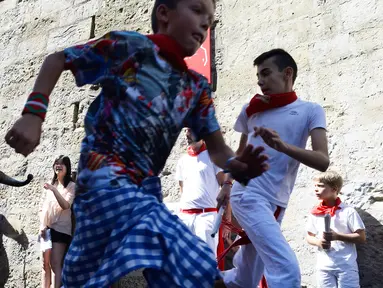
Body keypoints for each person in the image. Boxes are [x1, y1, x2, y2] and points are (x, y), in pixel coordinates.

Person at [5, 0, 269, 286]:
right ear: (164, 14)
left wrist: (237, 166)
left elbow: (217, 149)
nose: (206, 22)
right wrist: (33, 114)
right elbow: (58, 60)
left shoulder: (196, 88)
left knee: (88, 273)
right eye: (196, 10)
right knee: (190, 258)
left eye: (210, 18)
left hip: (144, 189)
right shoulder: (130, 48)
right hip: (104, 177)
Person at [216, 49, 330, 288]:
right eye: (258, 76)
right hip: (248, 195)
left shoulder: (311, 110)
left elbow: (322, 160)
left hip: (277, 203)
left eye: (266, 73)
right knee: (286, 271)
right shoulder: (252, 110)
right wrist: (227, 184)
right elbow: (239, 155)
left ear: (287, 73)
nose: (260, 81)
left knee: (243, 280)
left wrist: (283, 146)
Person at [176, 128, 232, 270]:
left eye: (190, 130)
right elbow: (183, 191)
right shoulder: (182, 161)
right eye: (186, 131)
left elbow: (225, 189)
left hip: (206, 216)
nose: (187, 134)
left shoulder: (212, 157)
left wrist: (227, 218)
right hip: (185, 218)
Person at [306, 171, 366, 288]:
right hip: (323, 267)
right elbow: (309, 236)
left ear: (334, 189)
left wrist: (337, 236)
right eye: (315, 186)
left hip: (346, 266)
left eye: (321, 186)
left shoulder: (348, 211)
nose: (316, 189)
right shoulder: (315, 213)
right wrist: (318, 242)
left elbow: (361, 237)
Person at [39, 155, 75, 288]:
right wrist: (42, 226)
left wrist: (54, 190)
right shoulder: (50, 184)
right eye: (56, 163)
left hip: (61, 229)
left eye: (61, 164)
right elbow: (41, 207)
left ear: (67, 167)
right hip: (45, 228)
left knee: (55, 264)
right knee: (44, 264)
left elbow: (66, 205)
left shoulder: (71, 186)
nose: (58, 166)